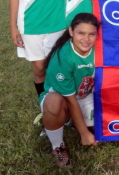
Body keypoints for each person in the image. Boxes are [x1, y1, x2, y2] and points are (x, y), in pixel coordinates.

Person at [39, 13, 100, 168]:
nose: (86, 39)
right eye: (81, 33)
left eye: (91, 34)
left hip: (86, 96)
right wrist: (84, 134)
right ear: (71, 32)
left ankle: (73, 121)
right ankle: (57, 146)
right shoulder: (63, 58)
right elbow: (71, 100)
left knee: (105, 126)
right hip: (65, 99)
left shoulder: (99, 50)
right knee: (54, 103)